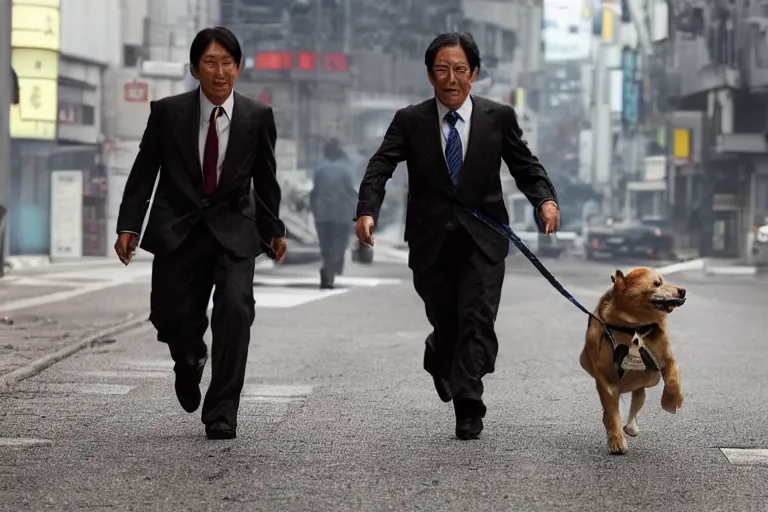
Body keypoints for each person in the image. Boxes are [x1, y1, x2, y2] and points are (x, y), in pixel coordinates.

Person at [354, 32, 560, 440]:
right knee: (447, 322)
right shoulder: (410, 120)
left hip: (483, 239)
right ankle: (439, 353)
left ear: (475, 73)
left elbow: (525, 166)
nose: (452, 79)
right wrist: (367, 210)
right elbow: (381, 165)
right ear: (430, 75)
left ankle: (469, 405)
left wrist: (545, 201)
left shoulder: (497, 117)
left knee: (477, 318)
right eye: (443, 70)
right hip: (431, 241)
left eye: (460, 70)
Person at [113, 27, 287, 440]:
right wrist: (128, 225)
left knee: (236, 312)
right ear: (195, 69)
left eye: (228, 63)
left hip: (234, 232)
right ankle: (189, 358)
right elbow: (144, 173)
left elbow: (266, 180)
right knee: (170, 316)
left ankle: (222, 411)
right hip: (179, 230)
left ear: (239, 68)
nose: (220, 71)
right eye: (210, 62)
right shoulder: (168, 113)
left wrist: (273, 229)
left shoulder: (257, 116)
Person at [309, 138, 357, 289]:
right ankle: (329, 273)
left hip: (322, 214)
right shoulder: (345, 170)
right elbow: (351, 192)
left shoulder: (319, 169)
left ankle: (328, 271)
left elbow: (314, 192)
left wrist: (314, 209)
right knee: (338, 245)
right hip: (341, 215)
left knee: (326, 246)